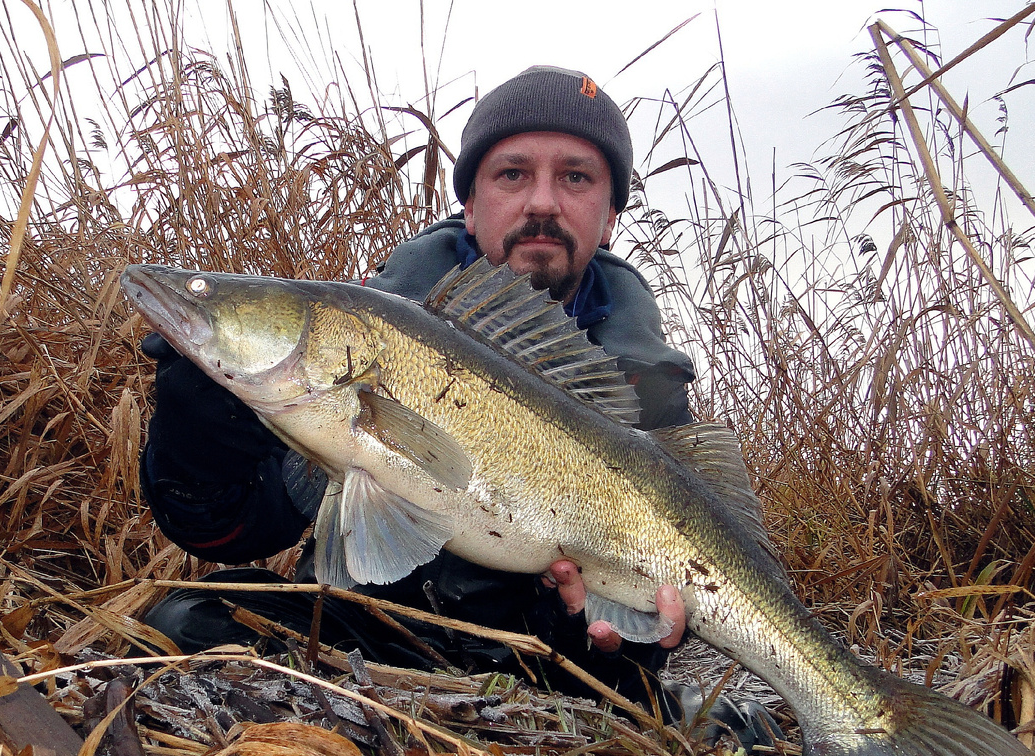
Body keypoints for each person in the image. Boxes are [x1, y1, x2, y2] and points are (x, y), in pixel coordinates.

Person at [139, 66, 698, 711]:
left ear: (609, 216)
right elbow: (228, 530)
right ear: (469, 203)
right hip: (368, 647)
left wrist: (611, 646)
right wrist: (198, 433)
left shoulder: (645, 394)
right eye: (512, 173)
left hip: (545, 679)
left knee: (667, 714)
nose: (542, 202)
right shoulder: (364, 342)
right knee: (181, 629)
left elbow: (662, 619)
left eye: (575, 177)